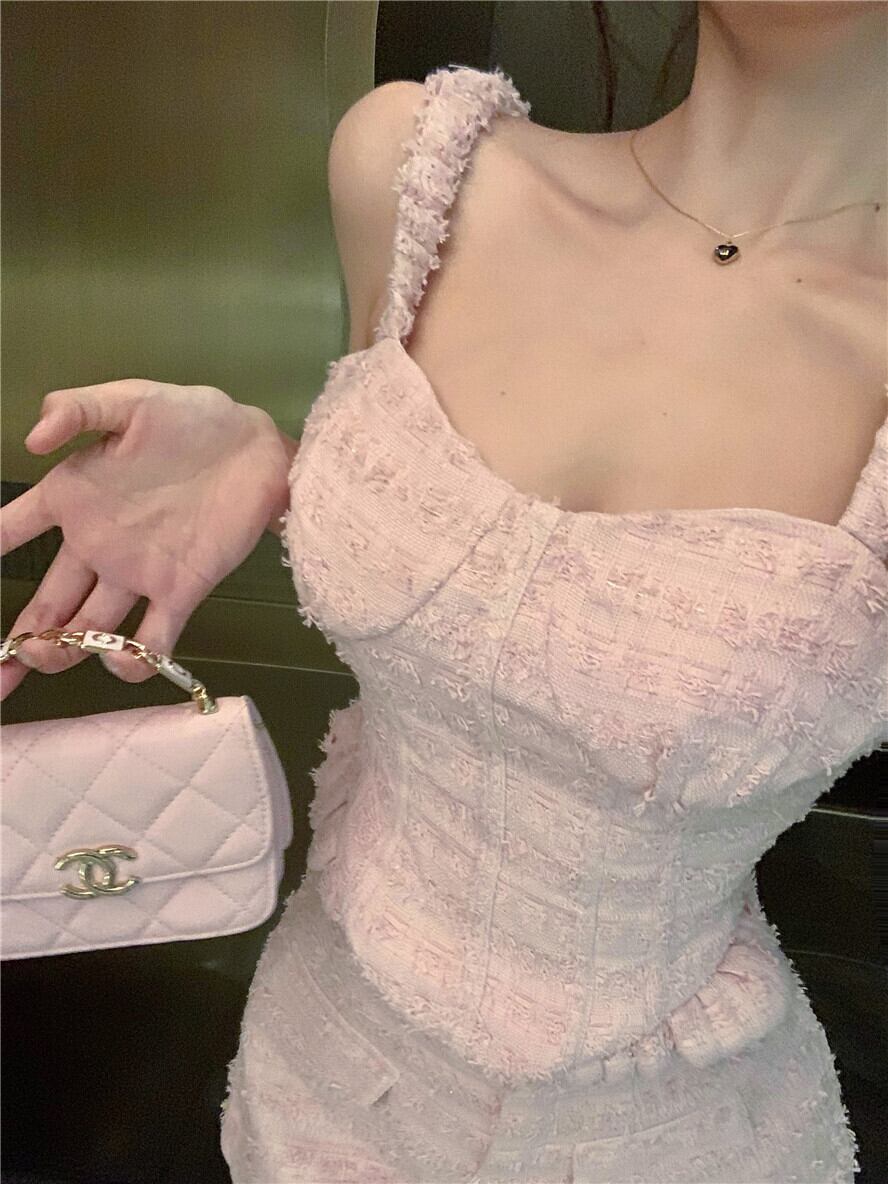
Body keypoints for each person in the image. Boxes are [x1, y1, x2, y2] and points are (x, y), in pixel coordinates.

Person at [2, 2, 885, 1180]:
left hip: (678, 1136)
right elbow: (475, 592)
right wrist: (292, 466)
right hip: (315, 1087)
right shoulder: (417, 164)